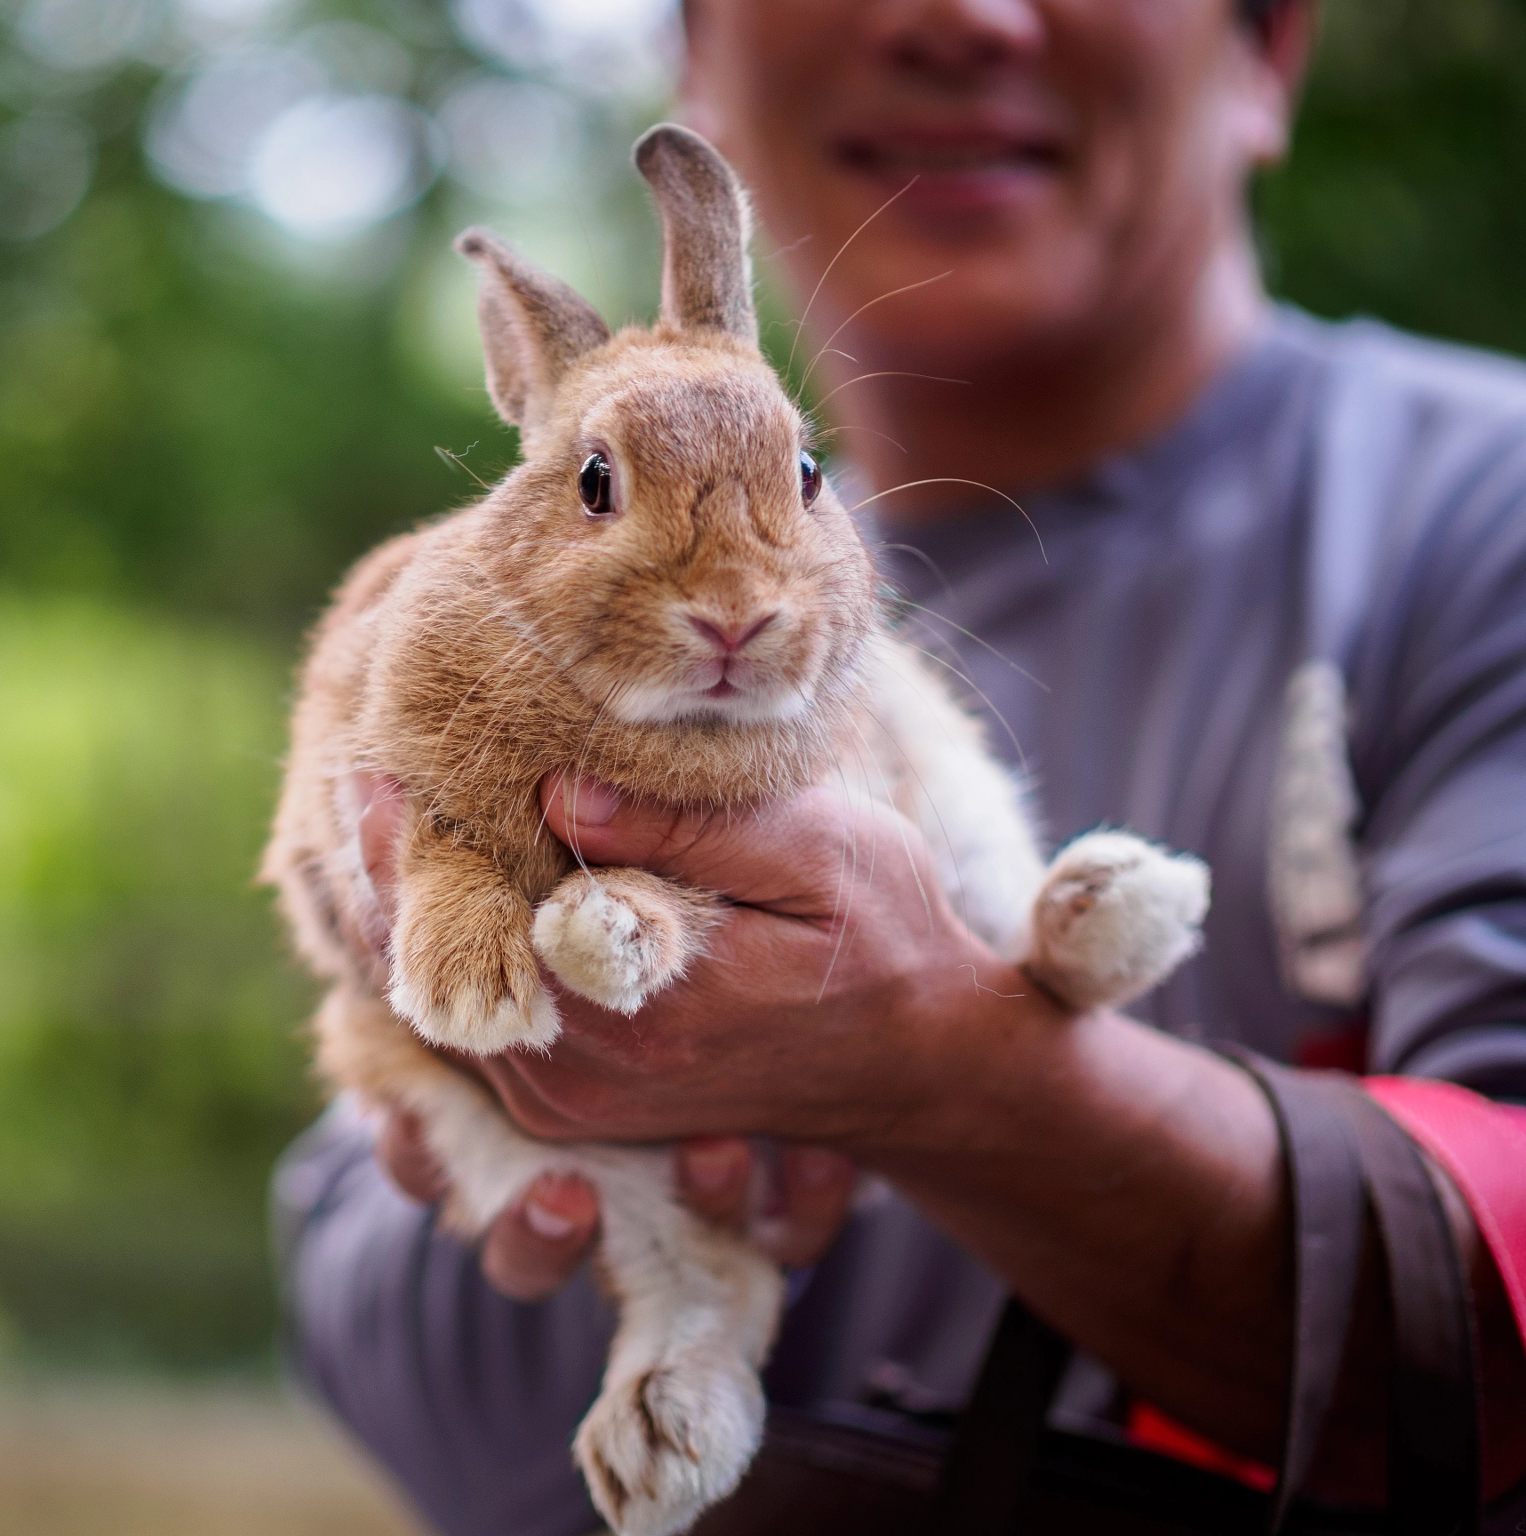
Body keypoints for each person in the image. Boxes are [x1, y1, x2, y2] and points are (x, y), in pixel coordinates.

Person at [272, 1, 1526, 1531]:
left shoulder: (1477, 522)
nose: (963, 17)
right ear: (699, 62)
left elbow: (1482, 1315)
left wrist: (956, 1076)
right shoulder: (508, 627)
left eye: (789, 489)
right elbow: (388, 1354)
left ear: (1268, 52)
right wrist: (495, 1051)